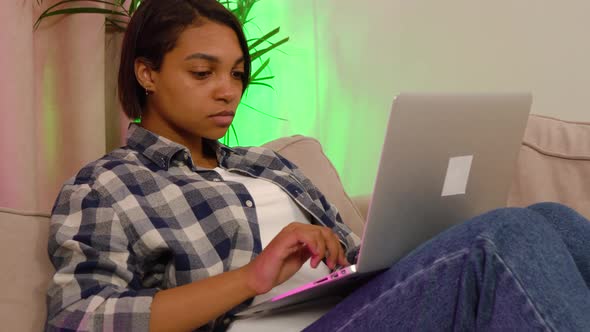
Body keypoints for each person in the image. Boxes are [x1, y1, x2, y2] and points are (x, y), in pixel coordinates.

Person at [45, 0, 590, 331]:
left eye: (236, 74)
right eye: (203, 72)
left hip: (354, 307)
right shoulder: (108, 185)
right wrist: (250, 278)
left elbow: (355, 249)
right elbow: (79, 319)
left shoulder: (269, 165)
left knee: (553, 218)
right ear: (147, 73)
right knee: (508, 231)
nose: (226, 91)